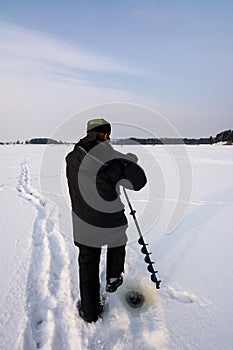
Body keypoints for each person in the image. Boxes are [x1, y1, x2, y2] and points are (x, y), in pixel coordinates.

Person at [66, 118, 147, 323]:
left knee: (88, 264)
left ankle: (90, 312)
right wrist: (128, 161)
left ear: (87, 133)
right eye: (107, 134)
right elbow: (139, 181)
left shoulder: (71, 157)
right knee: (117, 239)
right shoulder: (111, 156)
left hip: (83, 221)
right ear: (104, 134)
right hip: (110, 220)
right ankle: (113, 277)